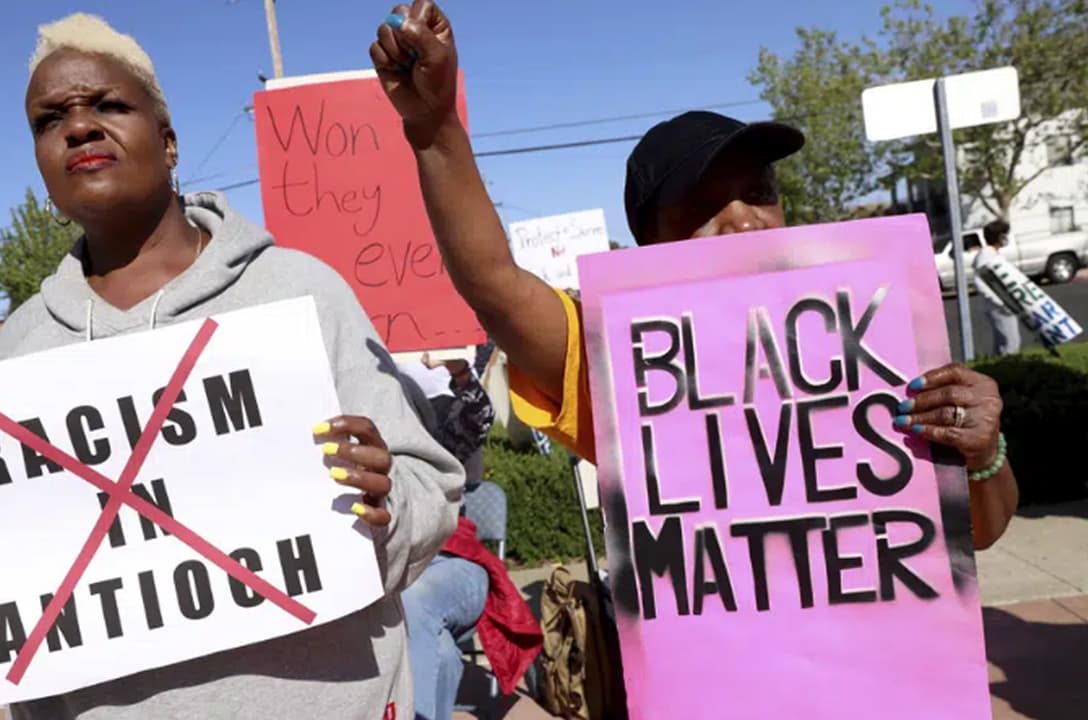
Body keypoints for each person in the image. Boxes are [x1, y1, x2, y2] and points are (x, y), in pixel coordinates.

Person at [0, 14, 463, 719]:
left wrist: (383, 507)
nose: (78, 127)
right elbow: (24, 594)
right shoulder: (19, 349)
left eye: (108, 105)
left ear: (170, 142)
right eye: (49, 119)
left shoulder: (299, 291)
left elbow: (432, 491)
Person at [370, 0, 1017, 550]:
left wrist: (983, 454)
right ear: (649, 245)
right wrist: (435, 131)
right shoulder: (625, 366)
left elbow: (978, 534)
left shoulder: (871, 339)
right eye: (705, 207)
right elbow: (493, 281)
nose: (742, 222)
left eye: (758, 192)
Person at [396, 353, 540, 720]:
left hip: (453, 565)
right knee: (441, 654)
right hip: (392, 573)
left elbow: (477, 418)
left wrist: (460, 372)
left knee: (415, 598)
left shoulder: (439, 437)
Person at [973, 220, 1022, 356]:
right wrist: (1000, 301)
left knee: (1003, 342)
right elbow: (980, 282)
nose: (1007, 238)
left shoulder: (992, 254)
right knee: (1011, 344)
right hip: (998, 307)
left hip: (1002, 305)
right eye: (1005, 235)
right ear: (999, 237)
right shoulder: (985, 256)